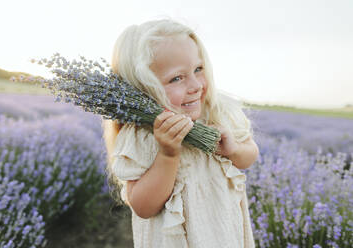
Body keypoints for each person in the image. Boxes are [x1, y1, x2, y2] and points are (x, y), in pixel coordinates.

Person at [102, 18, 259, 248]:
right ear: (143, 90)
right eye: (177, 78)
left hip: (224, 236)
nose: (196, 85)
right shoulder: (142, 136)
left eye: (198, 69)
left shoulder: (218, 113)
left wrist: (233, 149)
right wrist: (167, 154)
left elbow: (250, 155)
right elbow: (143, 207)